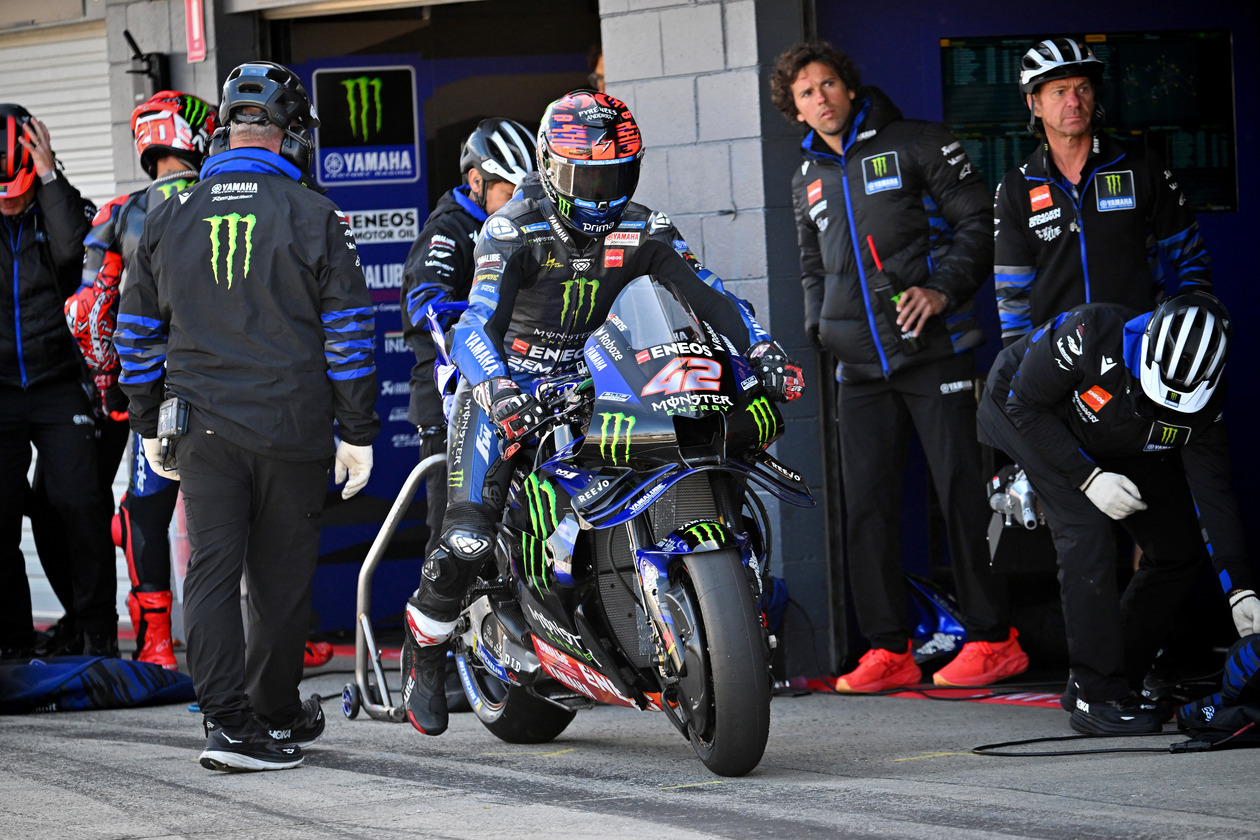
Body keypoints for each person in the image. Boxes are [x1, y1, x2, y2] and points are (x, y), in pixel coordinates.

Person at [398, 89, 803, 737]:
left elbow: (711, 295)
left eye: (613, 176)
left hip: (600, 381)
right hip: (508, 386)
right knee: (467, 536)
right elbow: (476, 322)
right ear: (548, 166)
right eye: (584, 177)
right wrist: (497, 387)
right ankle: (425, 649)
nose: (598, 192)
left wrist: (759, 348)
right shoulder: (511, 228)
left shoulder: (646, 226)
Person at [117, 62, 379, 772]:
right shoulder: (316, 215)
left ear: (225, 133)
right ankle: (263, 713)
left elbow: (134, 334)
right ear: (290, 134)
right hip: (290, 425)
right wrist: (357, 431)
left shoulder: (166, 214)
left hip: (199, 428)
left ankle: (234, 723)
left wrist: (146, 420)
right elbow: (350, 336)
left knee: (210, 571)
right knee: (279, 583)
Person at [769, 40, 1027, 691]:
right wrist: (820, 328)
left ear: (849, 87)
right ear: (796, 111)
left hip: (934, 350)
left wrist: (941, 291)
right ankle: (890, 650)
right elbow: (811, 267)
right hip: (858, 366)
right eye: (806, 93)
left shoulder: (917, 142)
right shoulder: (805, 178)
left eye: (828, 83)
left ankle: (995, 639)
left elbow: (980, 223)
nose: (821, 98)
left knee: (962, 493)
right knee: (866, 508)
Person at [977, 292, 1259, 734]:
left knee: (1177, 547)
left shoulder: (1208, 404)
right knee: (1086, 531)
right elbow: (1023, 406)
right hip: (1026, 411)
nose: (1169, 406)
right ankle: (1094, 696)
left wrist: (1240, 590)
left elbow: (1214, 496)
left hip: (1118, 432)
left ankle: (1118, 677)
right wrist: (1089, 478)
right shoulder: (1089, 332)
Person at [61, 90, 218, 669]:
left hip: (154, 391)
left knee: (147, 509)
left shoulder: (118, 213)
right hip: (229, 384)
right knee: (248, 503)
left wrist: (111, 386)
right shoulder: (229, 197)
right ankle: (274, 639)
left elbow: (87, 314)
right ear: (193, 135)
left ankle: (155, 644)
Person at [993, 37, 1211, 345]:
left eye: (1083, 88)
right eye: (1059, 91)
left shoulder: (1140, 166)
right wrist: (1021, 363)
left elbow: (1192, 258)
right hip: (1055, 360)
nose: (1074, 101)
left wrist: (1187, 324)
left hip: (1136, 350)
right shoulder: (1016, 187)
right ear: (1034, 104)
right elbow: (1012, 296)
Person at [1, 104, 119, 661]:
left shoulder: (62, 206)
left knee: (80, 504)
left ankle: (96, 631)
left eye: (16, 189)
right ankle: (11, 641)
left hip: (58, 383)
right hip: (1, 391)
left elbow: (75, 249)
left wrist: (49, 176)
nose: (8, 201)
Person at [401, 117, 535, 561]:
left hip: (512, 394)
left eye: (526, 190)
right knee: (454, 538)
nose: (519, 201)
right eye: (509, 191)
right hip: (450, 399)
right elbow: (425, 306)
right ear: (476, 181)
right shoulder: (449, 230)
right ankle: (436, 607)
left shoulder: (529, 227)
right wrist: (476, 326)